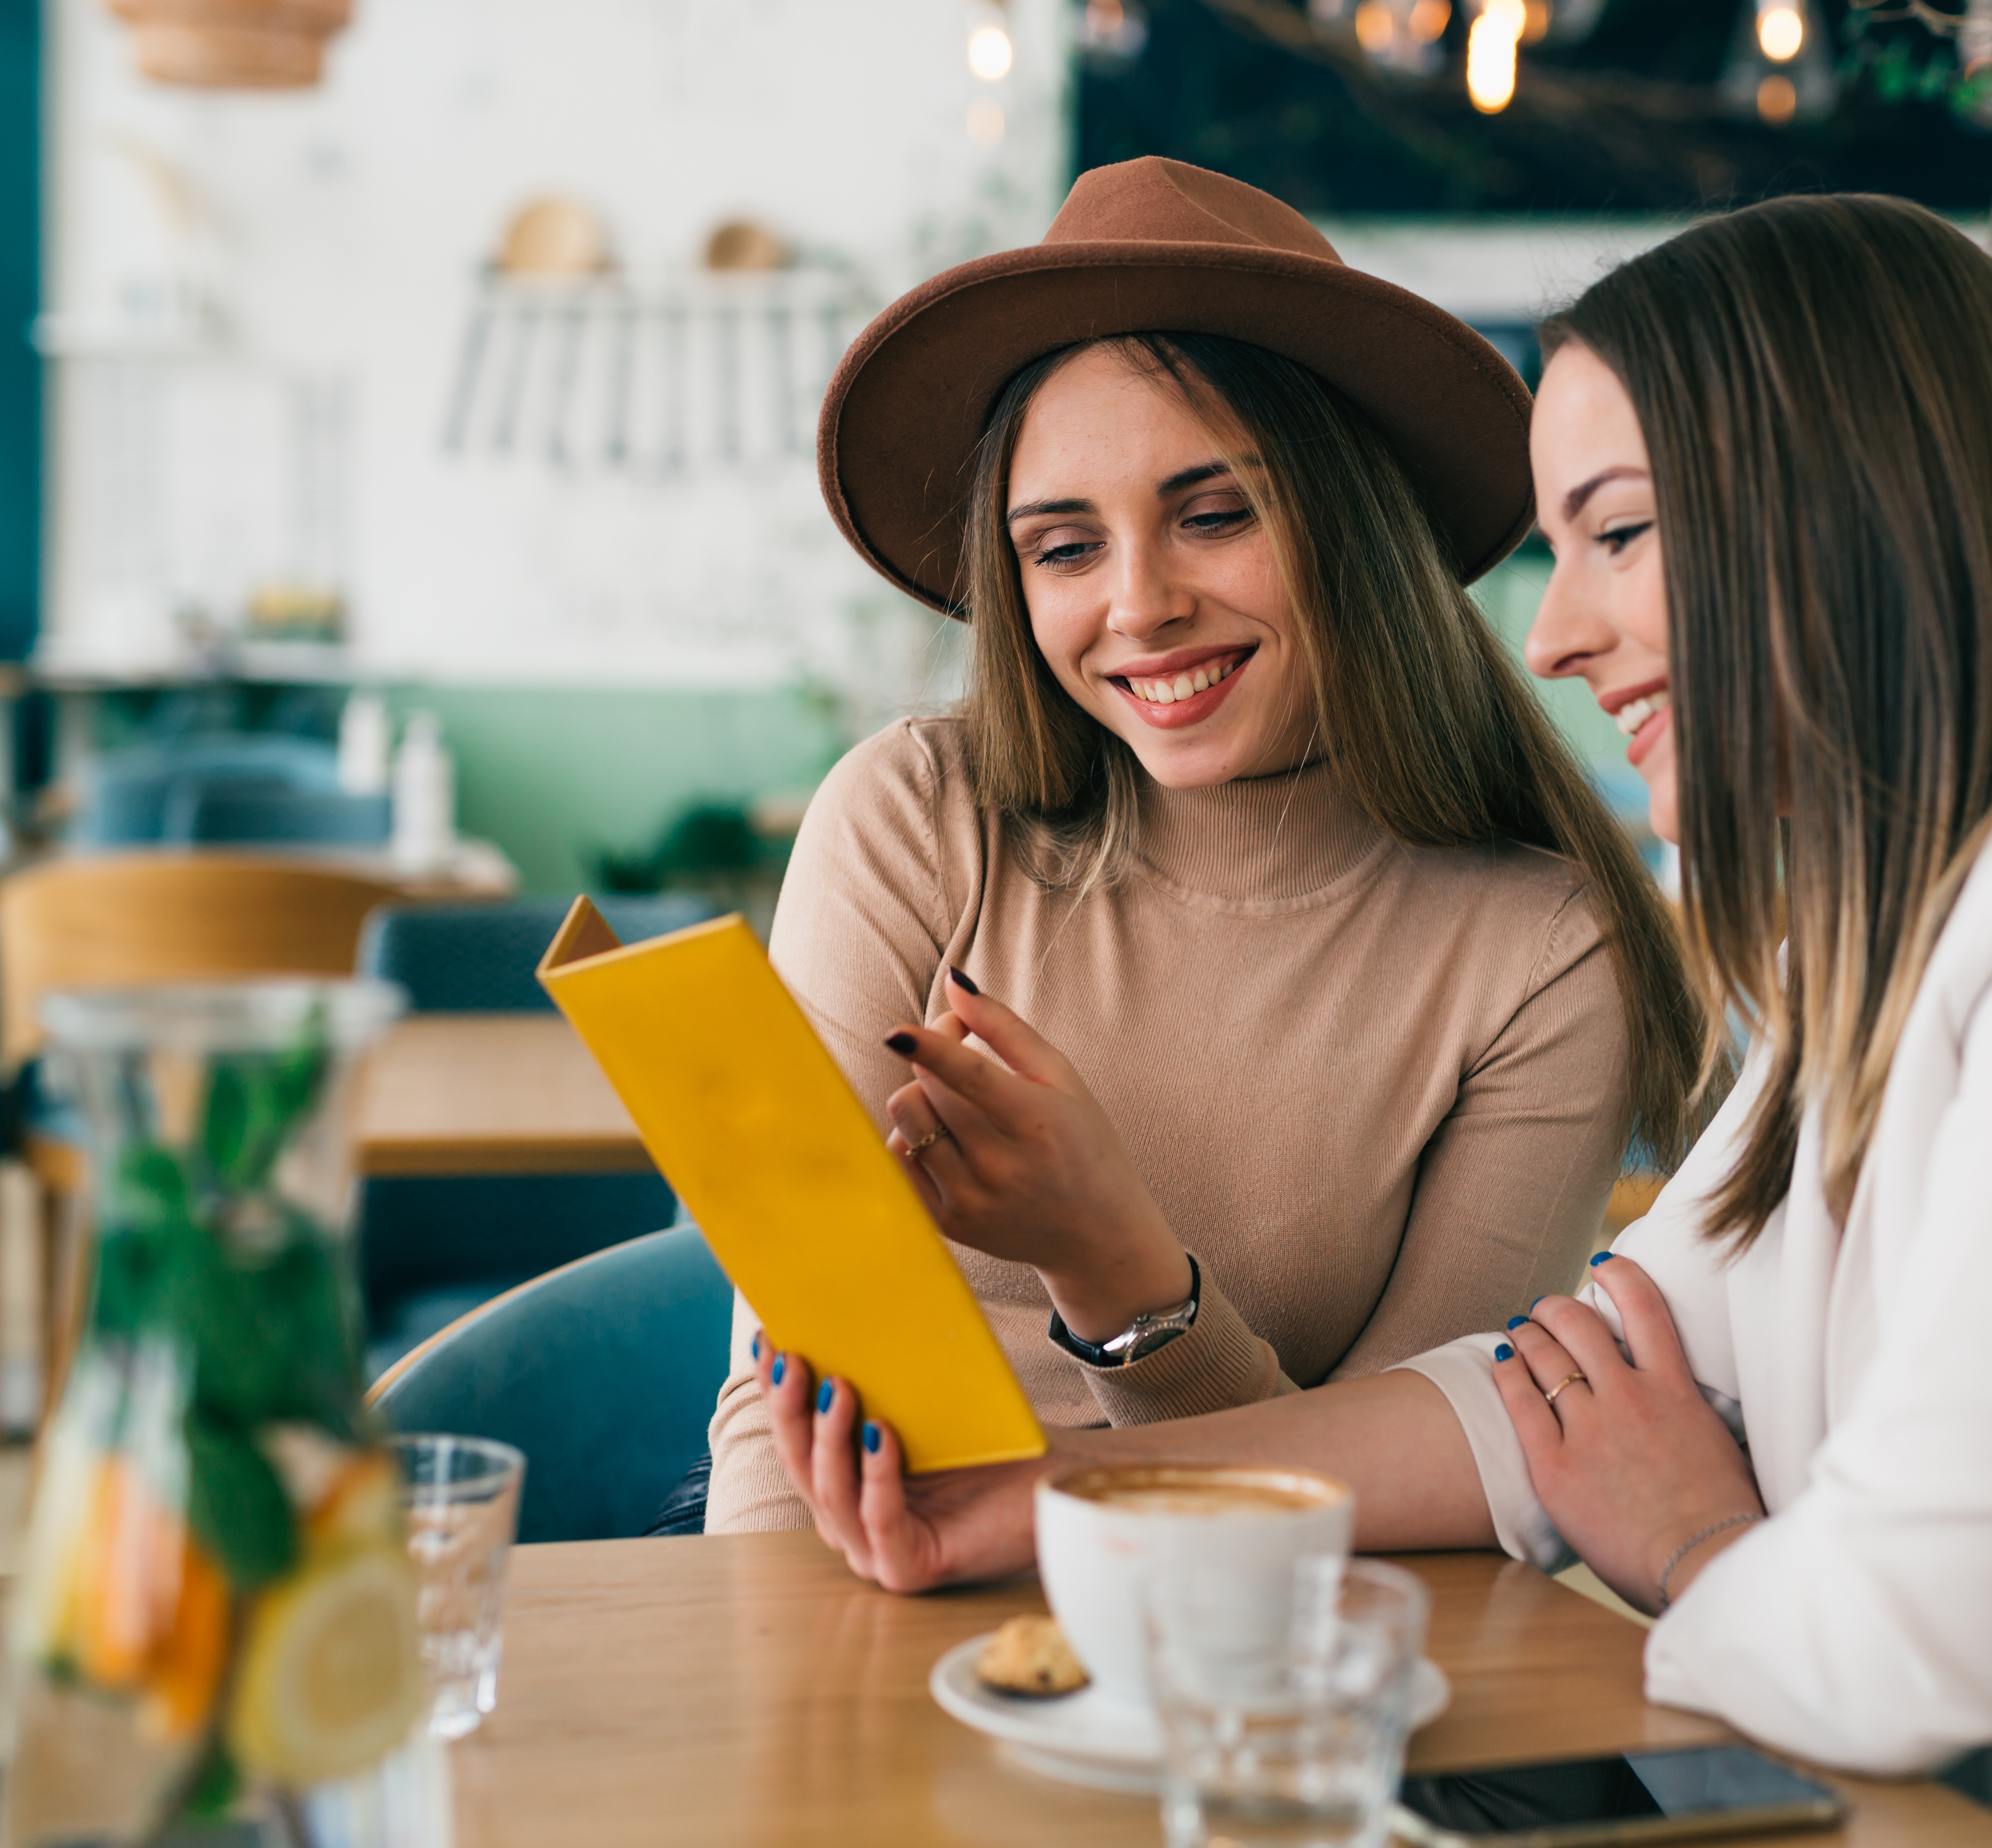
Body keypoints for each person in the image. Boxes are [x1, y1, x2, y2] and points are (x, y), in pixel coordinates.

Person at [750, 193, 1992, 1848]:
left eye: (1618, 534)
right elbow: (1546, 1393)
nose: (1552, 636)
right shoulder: (1903, 928)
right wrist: (1034, 1505)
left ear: (1854, 512)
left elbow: (1910, 1643)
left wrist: (1690, 1540)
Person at [702, 157, 1700, 1531]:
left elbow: (1424, 1504)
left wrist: (1121, 1274)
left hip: (1278, 1678)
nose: (1140, 606)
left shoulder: (1543, 952)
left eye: (1215, 515)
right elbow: (780, 1405)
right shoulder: (913, 820)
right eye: (1063, 549)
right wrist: (811, 1720)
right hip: (867, 1646)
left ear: (1358, 526)